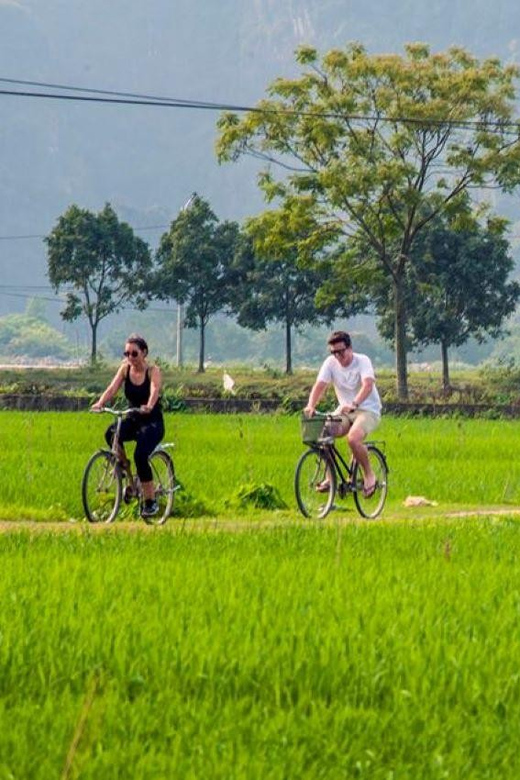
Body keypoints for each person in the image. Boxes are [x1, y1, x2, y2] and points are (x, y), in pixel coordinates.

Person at [91, 334, 164, 518]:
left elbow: (155, 389)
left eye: (134, 353)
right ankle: (124, 468)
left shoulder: (152, 371)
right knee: (111, 433)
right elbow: (112, 388)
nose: (130, 357)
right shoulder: (125, 369)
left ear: (144, 353)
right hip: (133, 418)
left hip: (151, 422)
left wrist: (149, 405)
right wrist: (100, 403)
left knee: (141, 455)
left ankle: (150, 501)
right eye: (127, 353)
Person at [304, 330, 382, 497]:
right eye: (334, 352)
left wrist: (355, 403)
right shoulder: (330, 363)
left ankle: (369, 474)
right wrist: (311, 405)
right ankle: (330, 476)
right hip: (345, 410)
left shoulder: (362, 361)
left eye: (341, 351)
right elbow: (320, 385)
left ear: (350, 348)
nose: (338, 356)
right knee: (325, 431)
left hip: (367, 409)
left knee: (353, 438)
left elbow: (367, 385)